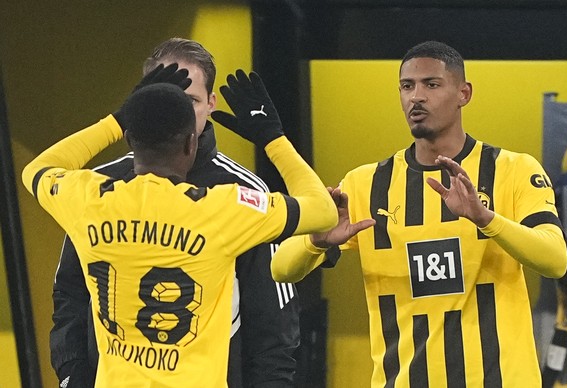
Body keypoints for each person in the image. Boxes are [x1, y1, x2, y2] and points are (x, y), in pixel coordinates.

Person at [271, 40, 567, 387]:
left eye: (431, 84)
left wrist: (486, 220)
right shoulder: (365, 183)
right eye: (407, 86)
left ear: (464, 93)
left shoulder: (512, 169)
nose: (416, 97)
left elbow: (555, 260)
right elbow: (281, 270)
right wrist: (316, 242)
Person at [22, 64, 337, 387]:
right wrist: (273, 139)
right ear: (191, 144)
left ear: (130, 139)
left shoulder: (89, 198)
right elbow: (323, 210)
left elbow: (38, 169)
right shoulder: (224, 208)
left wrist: (118, 119)